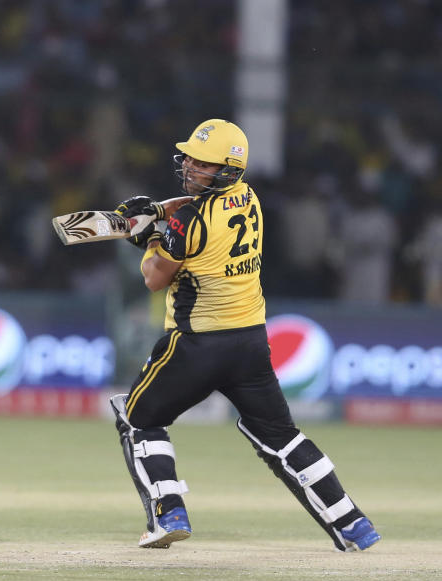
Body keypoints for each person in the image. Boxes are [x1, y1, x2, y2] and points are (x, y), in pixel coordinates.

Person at [109, 119, 381, 552]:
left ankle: (169, 515)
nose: (190, 167)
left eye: (202, 163)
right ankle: (352, 523)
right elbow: (193, 209)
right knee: (282, 436)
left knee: (137, 420)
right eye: (192, 159)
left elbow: (154, 279)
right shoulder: (248, 197)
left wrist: (142, 237)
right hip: (250, 342)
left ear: (225, 170)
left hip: (195, 344)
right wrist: (160, 211)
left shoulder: (190, 223)